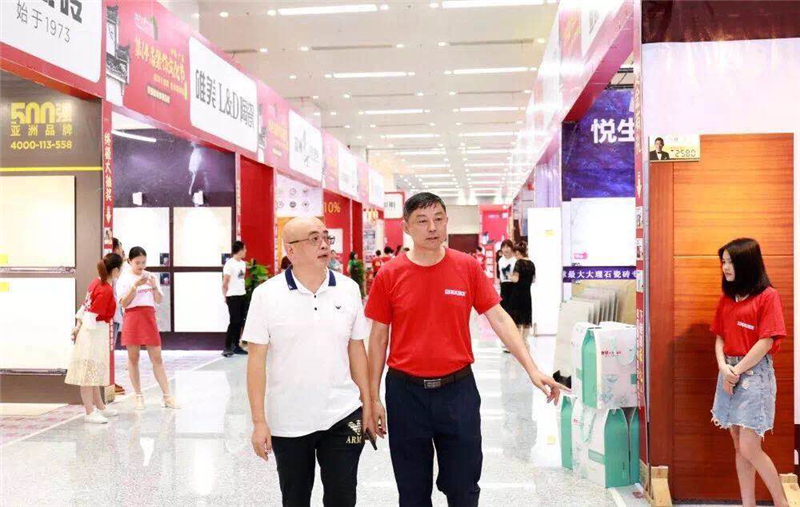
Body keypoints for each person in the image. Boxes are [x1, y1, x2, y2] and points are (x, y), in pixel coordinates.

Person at [366, 192, 567, 507]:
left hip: (457, 391)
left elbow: (499, 317)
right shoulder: (390, 274)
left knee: (464, 488)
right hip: (405, 394)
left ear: (447, 221)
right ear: (406, 227)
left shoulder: (466, 267)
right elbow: (378, 338)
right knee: (412, 492)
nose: (432, 227)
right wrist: (372, 398)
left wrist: (532, 368)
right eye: (422, 221)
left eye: (439, 219)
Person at [244, 217, 373, 507]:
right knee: (295, 498)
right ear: (291, 250)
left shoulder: (349, 289)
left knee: (343, 498)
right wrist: (259, 422)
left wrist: (367, 403)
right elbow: (256, 361)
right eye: (314, 239)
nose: (324, 245)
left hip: (343, 413)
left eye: (327, 237)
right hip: (289, 419)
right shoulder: (266, 295)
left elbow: (356, 349)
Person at [710, 238, 789, 507]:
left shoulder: (768, 296)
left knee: (749, 446)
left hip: (754, 374)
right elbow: (720, 337)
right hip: (729, 371)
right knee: (738, 444)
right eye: (723, 262)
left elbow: (766, 341)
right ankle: (748, 504)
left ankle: (782, 502)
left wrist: (735, 371)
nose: (725, 267)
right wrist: (724, 368)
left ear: (747, 263)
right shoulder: (727, 298)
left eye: (731, 262)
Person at [117, 247, 180, 411]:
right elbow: (124, 303)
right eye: (137, 263)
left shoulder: (151, 276)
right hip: (132, 317)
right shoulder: (124, 279)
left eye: (143, 262)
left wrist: (153, 287)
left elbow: (158, 300)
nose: (141, 266)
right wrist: (134, 287)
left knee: (157, 358)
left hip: (148, 317)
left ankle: (167, 396)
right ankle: (138, 395)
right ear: (129, 261)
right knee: (133, 358)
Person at [65, 253, 124, 424]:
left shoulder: (96, 282)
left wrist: (78, 326)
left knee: (94, 372)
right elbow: (91, 314)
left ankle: (100, 407)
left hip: (93, 332)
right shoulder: (105, 289)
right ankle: (89, 412)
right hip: (94, 333)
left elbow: (85, 307)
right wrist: (83, 328)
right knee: (88, 374)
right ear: (115, 270)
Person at [222, 240, 248, 357]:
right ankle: (227, 347)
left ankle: (236, 346)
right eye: (244, 249)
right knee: (234, 321)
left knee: (240, 321)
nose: (246, 251)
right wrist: (225, 296)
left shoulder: (242, 264)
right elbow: (225, 282)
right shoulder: (229, 264)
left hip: (242, 295)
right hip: (232, 296)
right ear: (240, 250)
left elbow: (240, 279)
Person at [509, 242, 536, 349]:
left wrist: (510, 276)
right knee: (526, 319)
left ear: (518, 253)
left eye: (515, 254)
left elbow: (515, 279)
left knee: (517, 319)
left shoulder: (519, 263)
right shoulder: (532, 264)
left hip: (517, 295)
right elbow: (533, 280)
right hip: (527, 295)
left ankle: (518, 342)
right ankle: (524, 341)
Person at [111, 238, 127, 396]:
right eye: (120, 248)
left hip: (115, 314)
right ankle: (108, 380)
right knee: (109, 349)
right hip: (111, 314)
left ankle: (110, 380)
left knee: (111, 349)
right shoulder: (113, 268)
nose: (122, 252)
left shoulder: (118, 267)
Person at [498, 239, 516, 315]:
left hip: (513, 286)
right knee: (504, 310)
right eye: (504, 247)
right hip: (503, 287)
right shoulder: (500, 260)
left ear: (511, 248)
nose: (506, 249)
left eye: (508, 247)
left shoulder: (515, 260)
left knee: (513, 310)